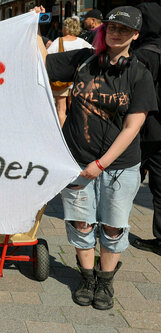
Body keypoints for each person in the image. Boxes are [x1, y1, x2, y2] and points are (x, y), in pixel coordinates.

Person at [34, 5, 158, 310]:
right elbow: (38, 63)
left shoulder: (139, 72)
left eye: (124, 30)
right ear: (104, 29)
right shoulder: (82, 60)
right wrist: (34, 28)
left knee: (114, 226)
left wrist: (100, 164)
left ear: (135, 35)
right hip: (76, 160)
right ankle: (87, 277)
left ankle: (105, 282)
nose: (117, 34)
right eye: (113, 28)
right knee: (81, 223)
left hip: (119, 166)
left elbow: (133, 127)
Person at [132, 2, 161, 255]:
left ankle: (108, 225)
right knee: (160, 187)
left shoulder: (143, 54)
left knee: (126, 177)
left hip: (144, 129)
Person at [46, 17, 92, 127]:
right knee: (75, 108)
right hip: (77, 79)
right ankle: (75, 129)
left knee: (61, 109)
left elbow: (46, 57)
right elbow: (93, 52)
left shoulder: (59, 41)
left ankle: (63, 136)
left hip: (61, 80)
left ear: (65, 28)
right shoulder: (81, 42)